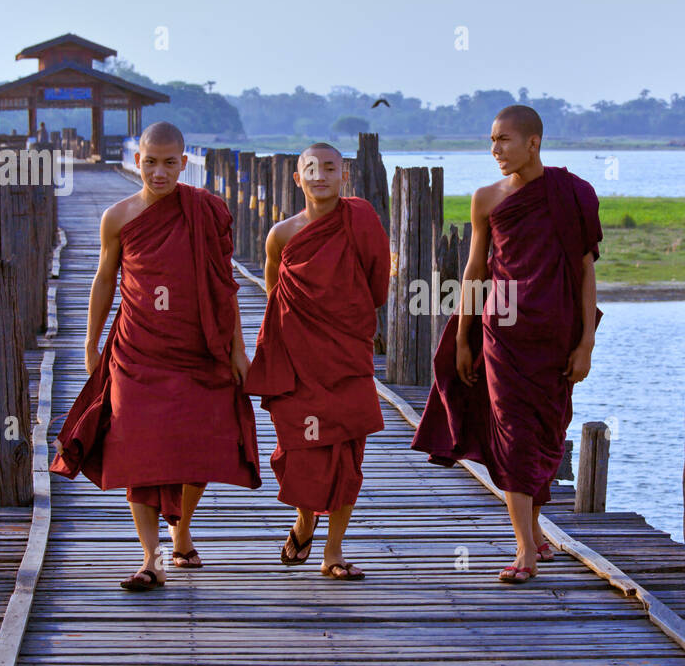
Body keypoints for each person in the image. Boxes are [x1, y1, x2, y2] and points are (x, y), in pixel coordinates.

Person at [50, 121, 261, 590]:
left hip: (198, 349)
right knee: (137, 450)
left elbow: (223, 285)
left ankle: (181, 531)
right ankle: (151, 558)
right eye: (150, 162)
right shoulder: (118, 217)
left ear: (184, 164)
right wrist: (90, 342)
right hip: (136, 350)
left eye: (170, 163)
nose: (159, 172)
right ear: (137, 160)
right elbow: (105, 280)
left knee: (196, 448)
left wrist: (237, 348)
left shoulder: (208, 211)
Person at [411, 105, 602, 584]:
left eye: (504, 140)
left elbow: (584, 271)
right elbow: (475, 271)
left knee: (546, 433)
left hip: (554, 335)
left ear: (533, 143)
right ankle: (524, 551)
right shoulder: (486, 199)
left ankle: (534, 532)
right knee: (514, 434)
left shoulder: (574, 194)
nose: (495, 150)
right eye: (491, 140)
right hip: (502, 334)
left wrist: (587, 343)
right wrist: (461, 338)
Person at [244, 142, 389, 581]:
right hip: (297, 360)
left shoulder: (360, 218)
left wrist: (345, 318)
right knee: (301, 450)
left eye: (331, 168)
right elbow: (276, 292)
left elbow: (375, 282)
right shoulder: (282, 234)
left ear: (344, 175)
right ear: (297, 177)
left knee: (347, 452)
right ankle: (306, 520)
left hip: (346, 356)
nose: (321, 176)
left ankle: (334, 550)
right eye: (312, 168)